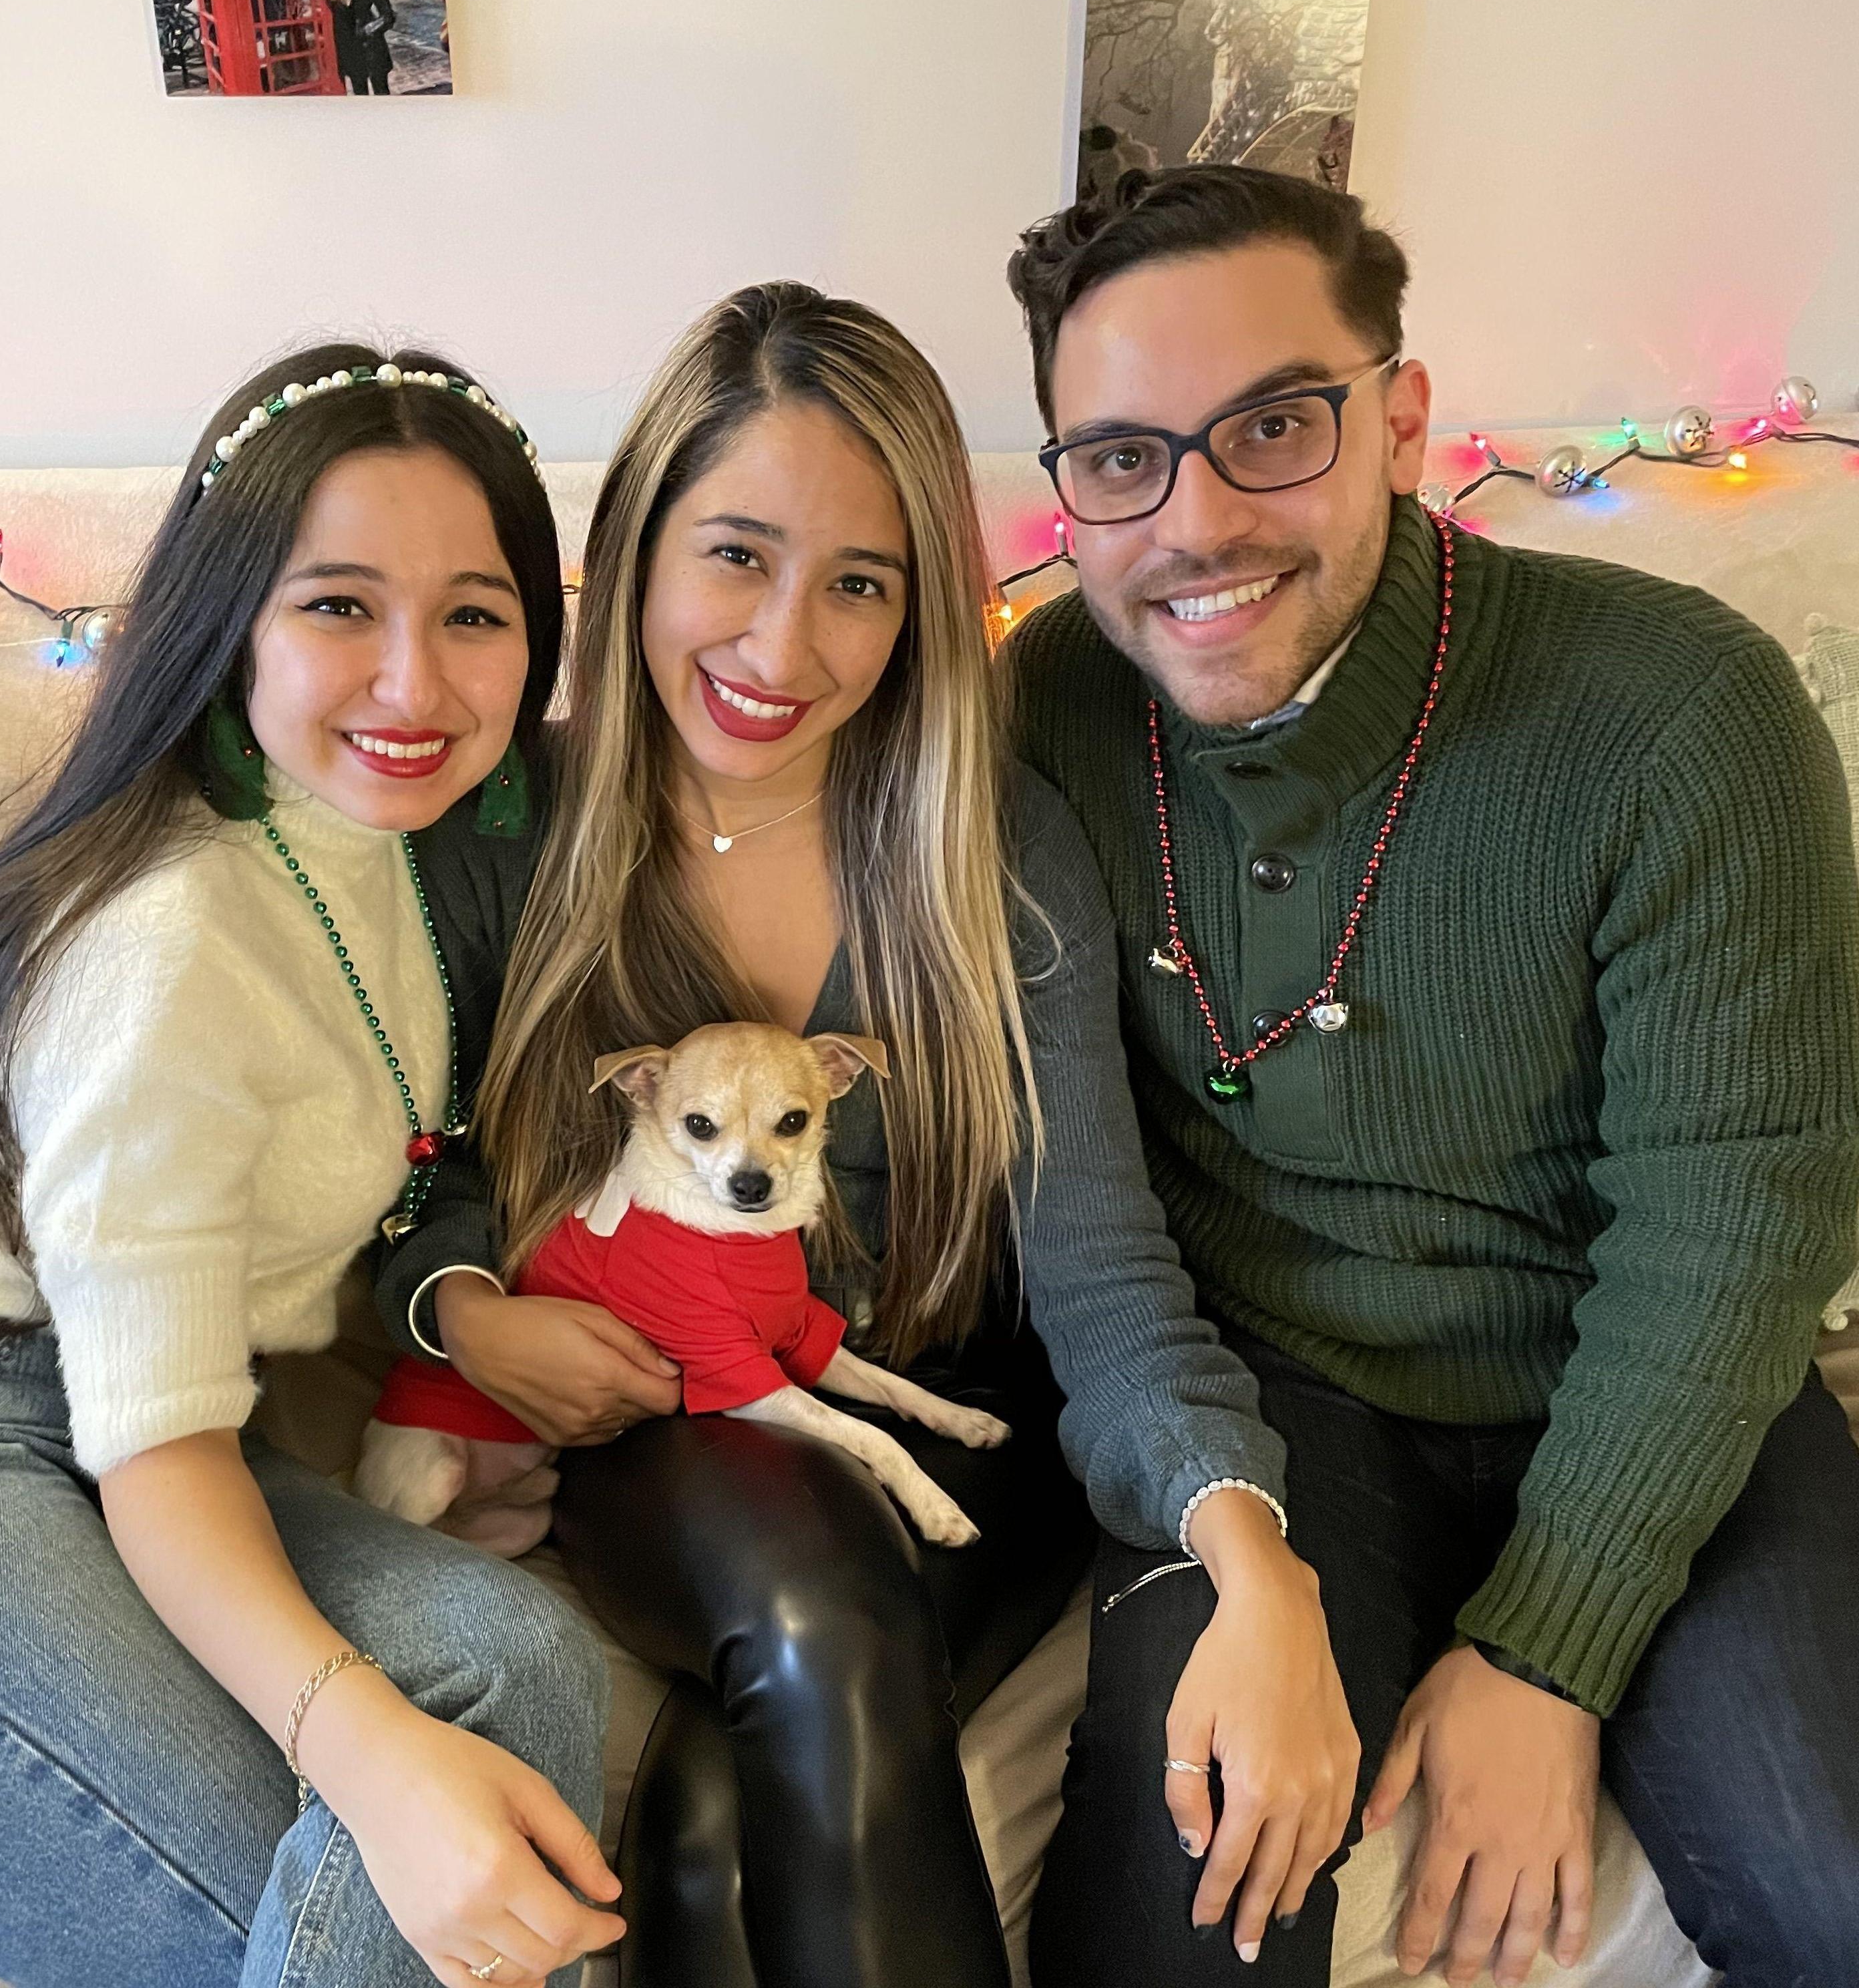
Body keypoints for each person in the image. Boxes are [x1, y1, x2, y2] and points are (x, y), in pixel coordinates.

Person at [371, 280, 1292, 1988]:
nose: (782, 650)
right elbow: (412, 1169)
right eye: (736, 556)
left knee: (707, 1838)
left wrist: (1247, 1536)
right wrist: (467, 1310)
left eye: (859, 583)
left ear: (920, 607)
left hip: (959, 1410)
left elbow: (1099, 1262)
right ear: (632, 551)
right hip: (677, 1412)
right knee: (810, 1614)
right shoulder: (505, 822)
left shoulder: (993, 849)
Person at [998, 163, 1859, 1987]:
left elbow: (1738, 1222)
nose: (1197, 522)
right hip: (1281, 1398)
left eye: (1274, 427)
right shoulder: (1046, 707)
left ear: (1399, 421)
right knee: (1185, 1906)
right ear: (1066, 487)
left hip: (1645, 1371)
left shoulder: (1681, 711)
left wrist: (1548, 1653)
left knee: (1832, 1886)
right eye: (1123, 458)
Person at [0, 343, 622, 1988]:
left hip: (123, 1415)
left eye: (474, 615)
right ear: (226, 624)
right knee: (315, 1913)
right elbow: (159, 1449)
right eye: (340, 606)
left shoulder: (380, 860)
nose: (415, 682)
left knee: (520, 1662)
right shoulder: (169, 935)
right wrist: (370, 1755)